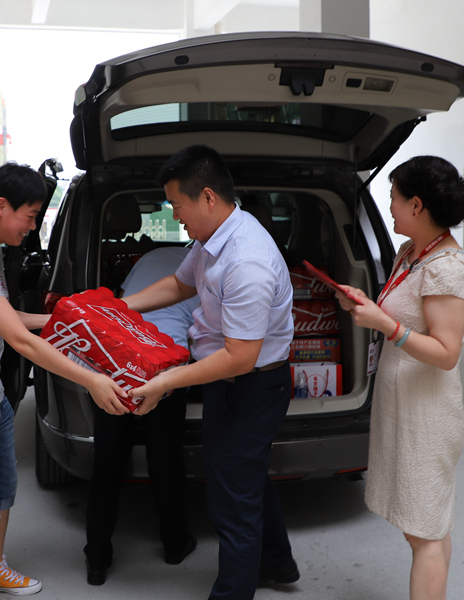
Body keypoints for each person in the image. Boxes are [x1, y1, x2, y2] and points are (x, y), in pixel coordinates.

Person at [0, 162, 129, 600]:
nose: (33, 226)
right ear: (1, 207)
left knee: (2, 495)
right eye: (31, 215)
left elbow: (8, 315)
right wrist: (91, 379)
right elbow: (19, 340)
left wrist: (70, 316)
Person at [124, 144, 299, 600]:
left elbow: (240, 356)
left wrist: (163, 382)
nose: (175, 215)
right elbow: (178, 284)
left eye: (176, 205)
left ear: (206, 196)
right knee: (244, 478)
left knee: (232, 503)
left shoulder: (246, 260)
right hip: (229, 380)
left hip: (250, 385)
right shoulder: (212, 239)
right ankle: (277, 561)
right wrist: (117, 308)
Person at [333, 156, 464, 600]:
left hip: (427, 416)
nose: (389, 206)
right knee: (427, 527)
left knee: (424, 532)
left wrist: (386, 325)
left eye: (394, 198)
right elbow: (401, 313)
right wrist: (367, 305)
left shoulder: (446, 268)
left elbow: (446, 353)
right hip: (403, 408)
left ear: (417, 205)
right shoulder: (411, 253)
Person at [84, 246, 201, 585]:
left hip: (117, 361)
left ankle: (97, 559)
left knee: (107, 462)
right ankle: (175, 544)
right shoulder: (209, 268)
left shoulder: (151, 256)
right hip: (165, 367)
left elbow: (122, 302)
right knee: (166, 458)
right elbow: (208, 334)